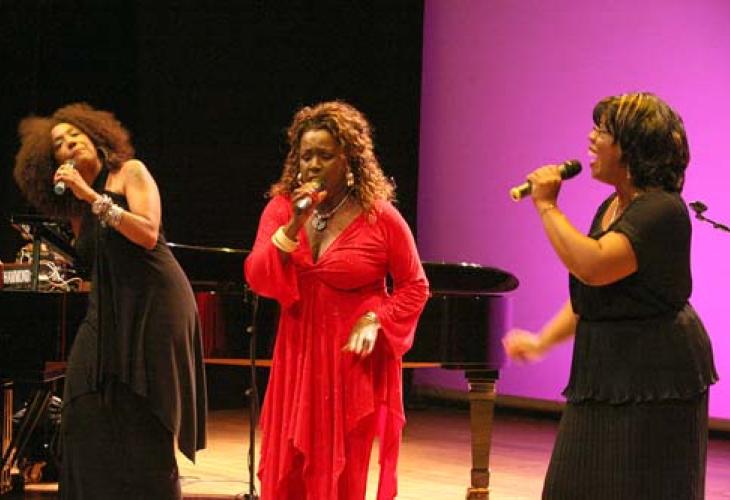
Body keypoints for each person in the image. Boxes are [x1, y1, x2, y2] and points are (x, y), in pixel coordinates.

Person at [503, 92, 718, 499]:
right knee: (570, 488)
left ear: (632, 147)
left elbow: (594, 265)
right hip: (605, 368)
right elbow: (592, 294)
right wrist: (542, 341)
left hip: (657, 372)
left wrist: (547, 206)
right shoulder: (612, 206)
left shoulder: (662, 210)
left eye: (603, 131)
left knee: (644, 489)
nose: (591, 137)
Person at [13, 103, 207, 499]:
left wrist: (91, 196)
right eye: (59, 144)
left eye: (75, 135)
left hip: (156, 301)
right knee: (82, 407)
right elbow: (94, 259)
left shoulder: (130, 172)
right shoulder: (76, 210)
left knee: (144, 412)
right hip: (109, 307)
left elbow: (148, 233)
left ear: (96, 136)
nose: (69, 144)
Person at [244, 101, 429, 500]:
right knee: (288, 468)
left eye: (324, 156)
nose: (312, 165)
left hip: (349, 362)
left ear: (349, 160)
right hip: (296, 356)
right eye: (305, 156)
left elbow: (415, 285)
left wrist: (376, 319)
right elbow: (258, 276)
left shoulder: (380, 216)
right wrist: (294, 223)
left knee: (342, 471)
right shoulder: (281, 209)